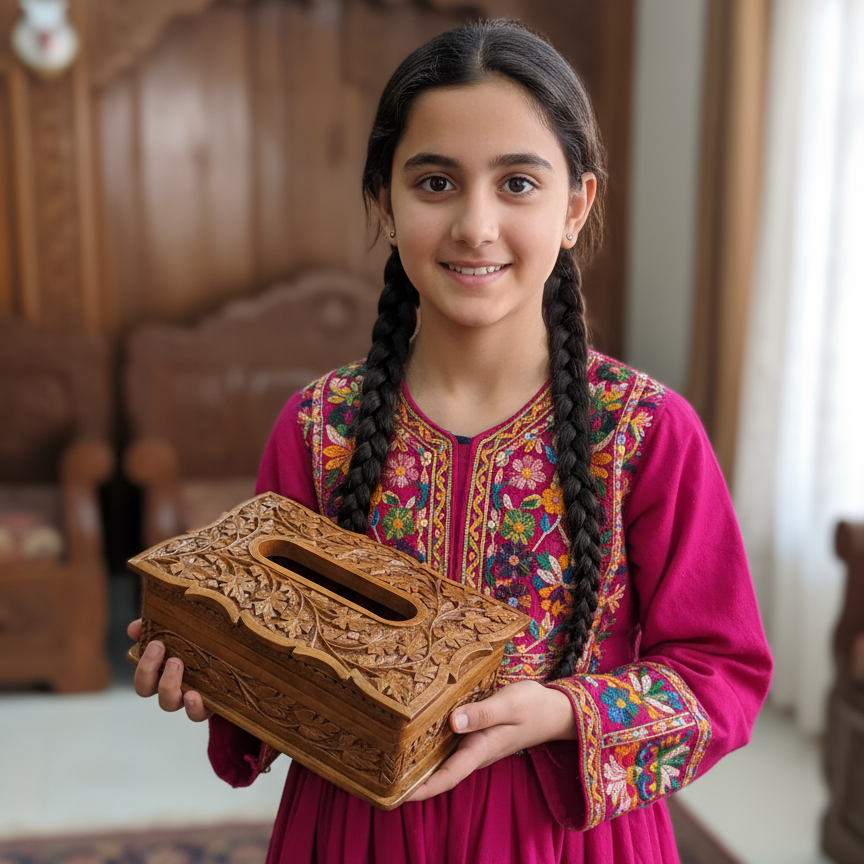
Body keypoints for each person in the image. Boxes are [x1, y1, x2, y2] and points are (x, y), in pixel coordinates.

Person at [129, 19, 772, 863]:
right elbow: (270, 665)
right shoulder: (319, 430)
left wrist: (564, 712)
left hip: (564, 838)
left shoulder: (646, 433)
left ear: (575, 206)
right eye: (435, 182)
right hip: (356, 831)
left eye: (517, 184)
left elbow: (724, 673)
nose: (475, 224)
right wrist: (213, 674)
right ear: (384, 205)